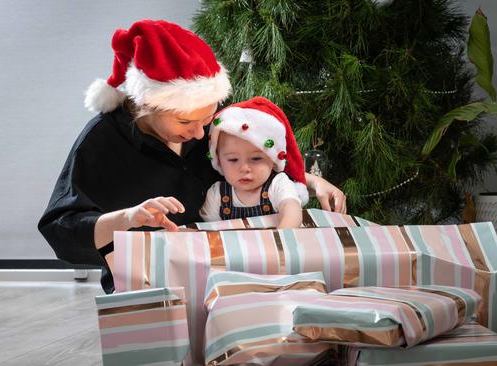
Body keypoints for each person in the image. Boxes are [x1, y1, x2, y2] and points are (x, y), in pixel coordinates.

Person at [38, 19, 347, 293]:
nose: (200, 134)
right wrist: (127, 219)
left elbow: (244, 166)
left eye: (206, 119)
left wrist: (308, 181)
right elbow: (61, 229)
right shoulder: (102, 140)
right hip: (151, 283)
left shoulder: (209, 126)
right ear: (147, 106)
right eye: (185, 122)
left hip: (232, 270)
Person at [200, 96, 307, 228]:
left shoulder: (277, 185)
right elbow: (209, 231)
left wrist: (281, 238)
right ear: (219, 161)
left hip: (276, 246)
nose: (244, 168)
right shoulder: (217, 195)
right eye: (233, 159)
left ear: (273, 160)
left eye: (256, 159)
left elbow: (292, 211)